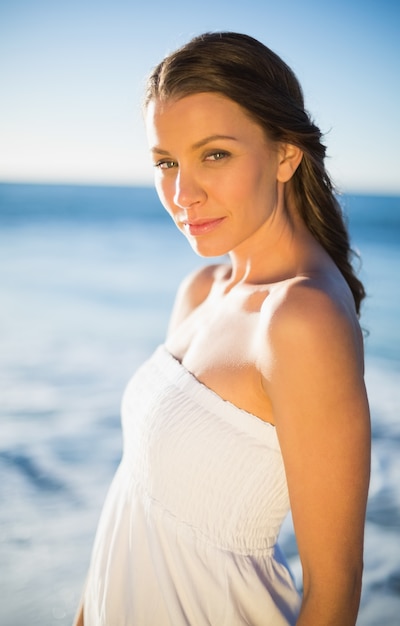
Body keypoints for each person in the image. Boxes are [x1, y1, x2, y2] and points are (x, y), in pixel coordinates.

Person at [74, 32, 370, 625]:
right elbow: (133, 505)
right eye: (166, 163)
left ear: (287, 154)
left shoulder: (300, 319)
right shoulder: (201, 291)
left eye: (215, 154)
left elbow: (334, 592)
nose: (183, 194)